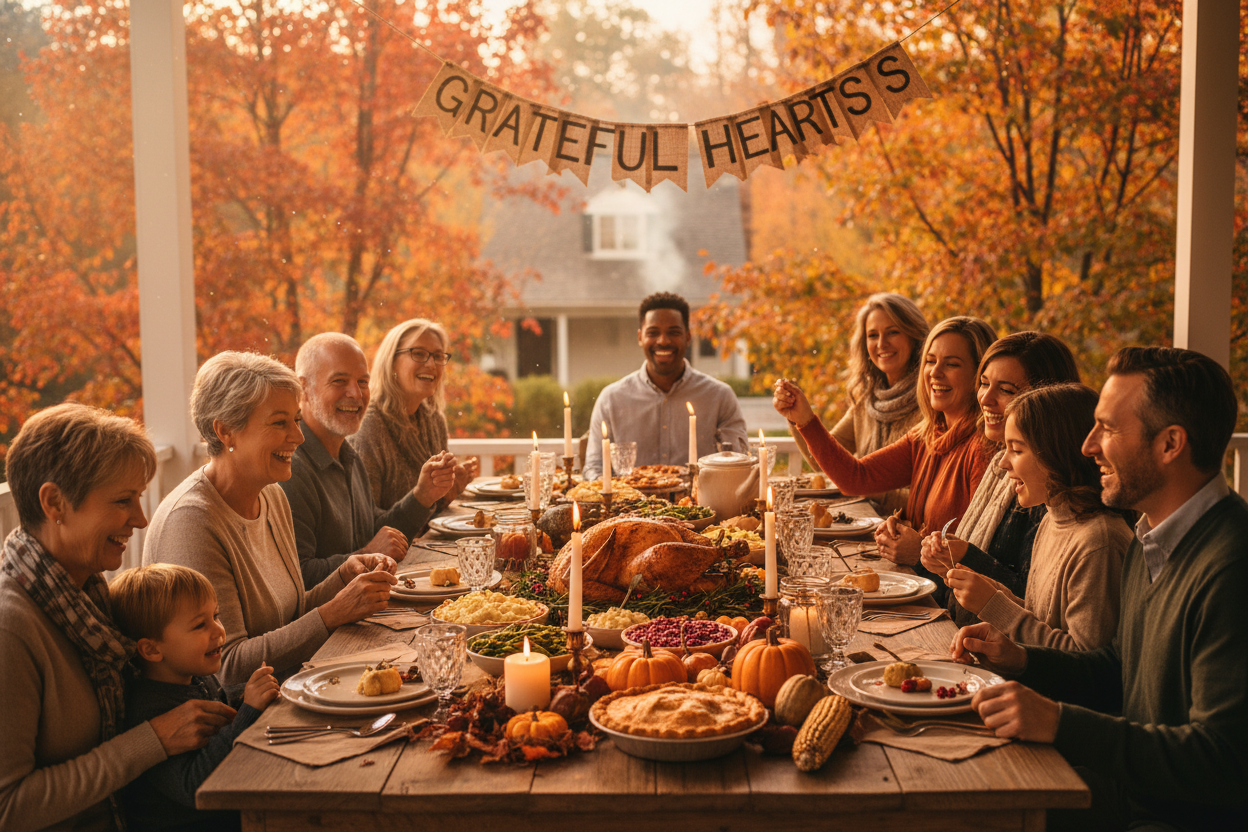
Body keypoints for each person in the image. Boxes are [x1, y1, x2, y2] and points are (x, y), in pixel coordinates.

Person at [953, 347, 1248, 831]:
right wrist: (1021, 659)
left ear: (1170, 444)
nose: (1088, 446)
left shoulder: (1229, 567)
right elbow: (1118, 667)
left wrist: (1061, 723)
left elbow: (1222, 760)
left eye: (1108, 429)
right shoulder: (1150, 538)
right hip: (1126, 790)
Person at [0, 403, 234, 832]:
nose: (141, 518)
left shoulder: (91, 597)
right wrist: (154, 741)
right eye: (123, 501)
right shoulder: (12, 628)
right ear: (54, 502)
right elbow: (9, 808)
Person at [144, 351, 397, 687]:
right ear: (226, 432)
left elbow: (288, 613)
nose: (299, 436)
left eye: (296, 419)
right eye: (280, 423)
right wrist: (332, 613)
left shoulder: (271, 493)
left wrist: (342, 577)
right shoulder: (192, 522)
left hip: (292, 685)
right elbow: (226, 668)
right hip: (232, 718)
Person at [774, 316, 997, 576]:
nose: (935, 373)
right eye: (930, 361)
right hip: (913, 579)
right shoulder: (926, 435)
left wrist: (917, 552)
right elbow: (855, 477)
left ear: (980, 376)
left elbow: (981, 557)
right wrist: (804, 420)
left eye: (952, 364)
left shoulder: (985, 448)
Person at [935, 383, 1132, 650]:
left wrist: (993, 605)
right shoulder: (1052, 519)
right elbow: (1043, 621)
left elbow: (1085, 661)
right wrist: (993, 594)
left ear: (1057, 454)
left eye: (1016, 450)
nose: (1004, 463)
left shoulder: (1098, 542)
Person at [919, 332, 1081, 627]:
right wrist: (943, 559)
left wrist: (967, 556)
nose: (985, 398)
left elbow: (1034, 603)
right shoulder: (999, 464)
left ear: (1047, 400)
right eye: (984, 383)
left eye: (1006, 389)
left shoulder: (1045, 488)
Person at [111, 564, 280, 832]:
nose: (219, 631)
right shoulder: (149, 710)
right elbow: (195, 783)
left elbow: (219, 706)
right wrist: (248, 711)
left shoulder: (194, 677)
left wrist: (247, 695)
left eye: (216, 616)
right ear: (152, 649)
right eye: (200, 625)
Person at [280, 333, 457, 585]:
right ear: (303, 388)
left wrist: (423, 495)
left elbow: (373, 533)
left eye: (363, 382)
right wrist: (366, 555)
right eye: (339, 381)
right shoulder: (290, 468)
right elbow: (297, 577)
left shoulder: (348, 454)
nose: (356, 393)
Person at [788, 293, 930, 515]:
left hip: (911, 536)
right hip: (865, 525)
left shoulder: (932, 403)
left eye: (893, 332)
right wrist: (796, 416)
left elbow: (930, 497)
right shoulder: (866, 400)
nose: (882, 344)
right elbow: (824, 463)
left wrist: (862, 485)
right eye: (873, 335)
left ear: (914, 337)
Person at [582, 292, 748, 480]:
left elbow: (739, 463)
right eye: (653, 333)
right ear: (640, 337)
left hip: (701, 506)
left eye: (673, 332)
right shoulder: (611, 399)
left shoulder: (719, 397)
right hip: (630, 507)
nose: (663, 341)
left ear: (687, 337)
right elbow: (594, 468)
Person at [352, 319, 478, 512]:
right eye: (418, 354)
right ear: (391, 362)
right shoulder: (368, 427)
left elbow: (431, 512)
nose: (431, 364)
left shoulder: (435, 421)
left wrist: (451, 489)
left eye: (437, 356)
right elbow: (365, 524)